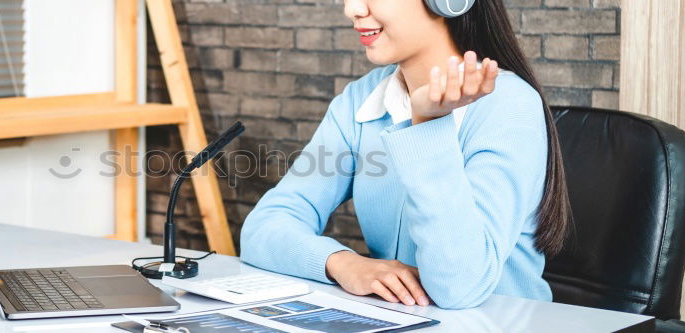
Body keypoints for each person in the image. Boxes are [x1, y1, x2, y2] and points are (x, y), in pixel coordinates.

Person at [239, 0, 571, 310]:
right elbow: (263, 229)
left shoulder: (509, 105)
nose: (351, 9)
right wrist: (342, 262)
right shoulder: (360, 100)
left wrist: (428, 125)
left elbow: (460, 288)